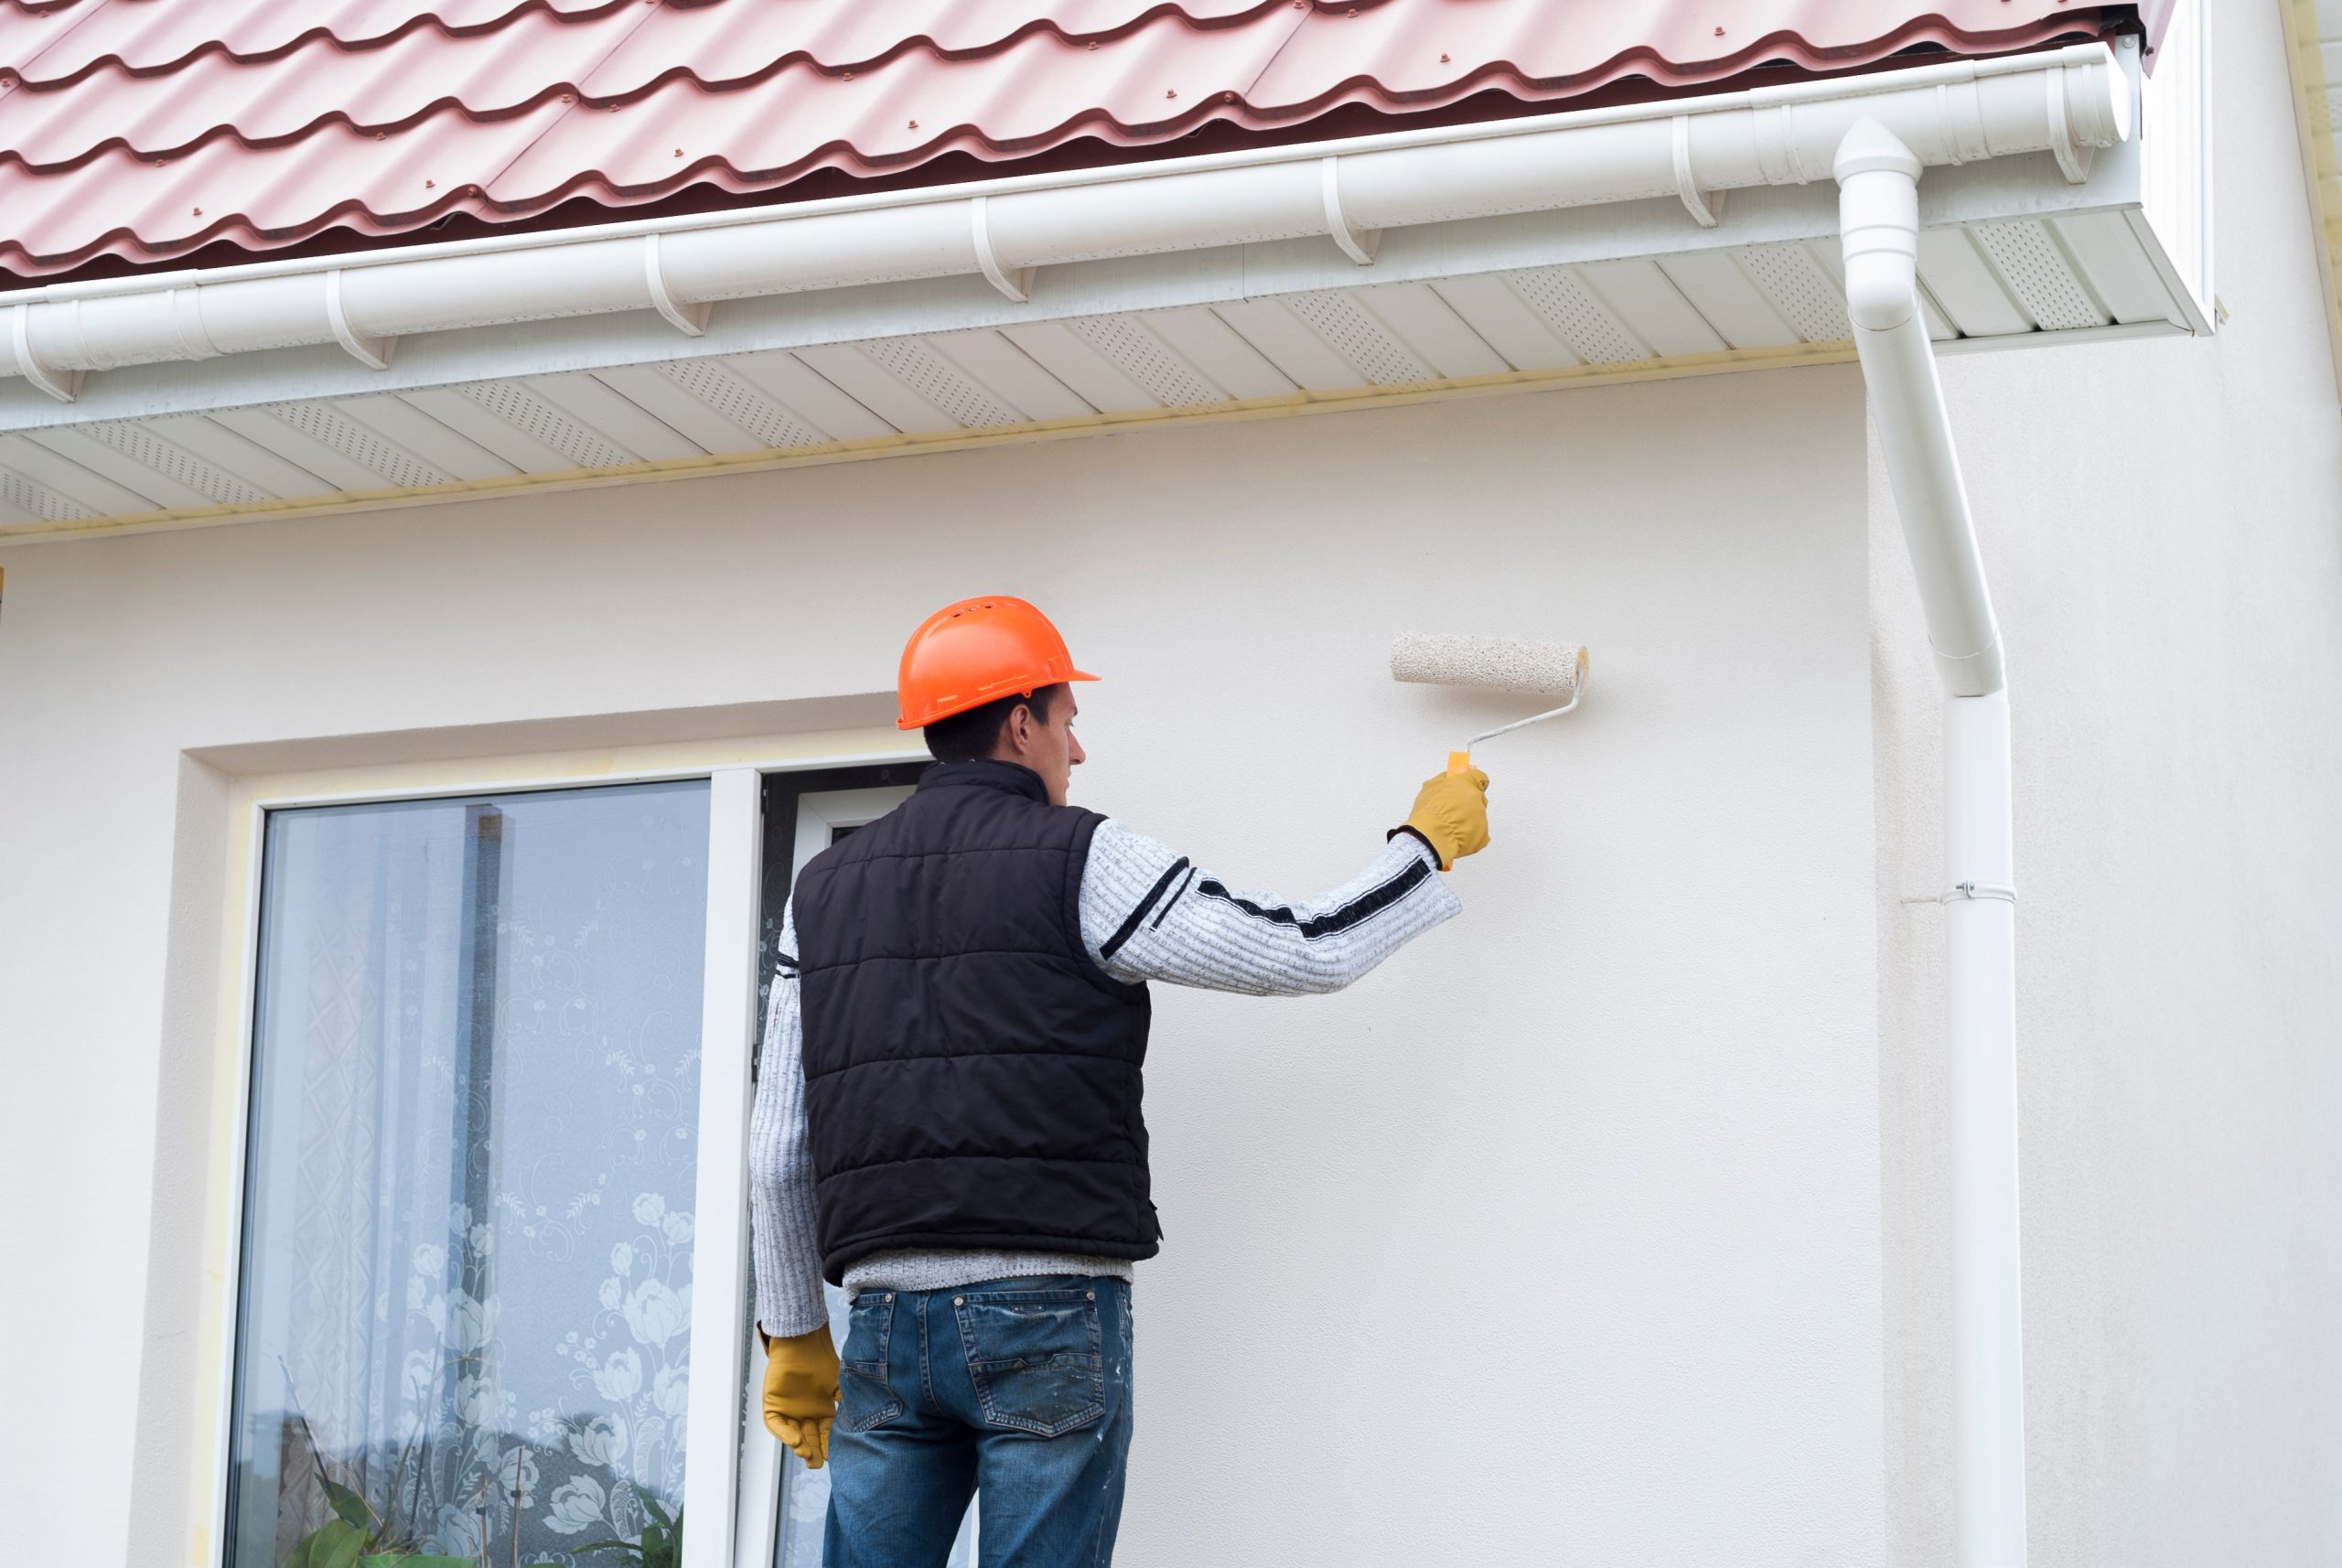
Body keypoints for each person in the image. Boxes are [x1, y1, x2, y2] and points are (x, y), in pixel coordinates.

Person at [748, 595, 1491, 1567]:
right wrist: (1421, 848)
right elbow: (1302, 949)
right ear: (1021, 721)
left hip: (885, 1326)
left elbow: (776, 1149)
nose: (1077, 751)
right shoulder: (1082, 857)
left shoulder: (824, 889)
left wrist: (794, 1332)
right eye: (1068, 720)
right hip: (1046, 1312)